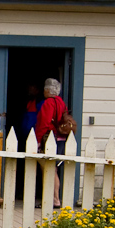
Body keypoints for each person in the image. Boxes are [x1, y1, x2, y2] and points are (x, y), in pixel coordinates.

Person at [34, 77, 69, 208]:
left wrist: (38, 140)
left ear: (48, 90)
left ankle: (53, 199)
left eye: (44, 89)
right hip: (60, 138)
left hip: (50, 138)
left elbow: (44, 123)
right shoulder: (61, 102)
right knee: (53, 169)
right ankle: (54, 198)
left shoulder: (48, 103)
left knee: (48, 169)